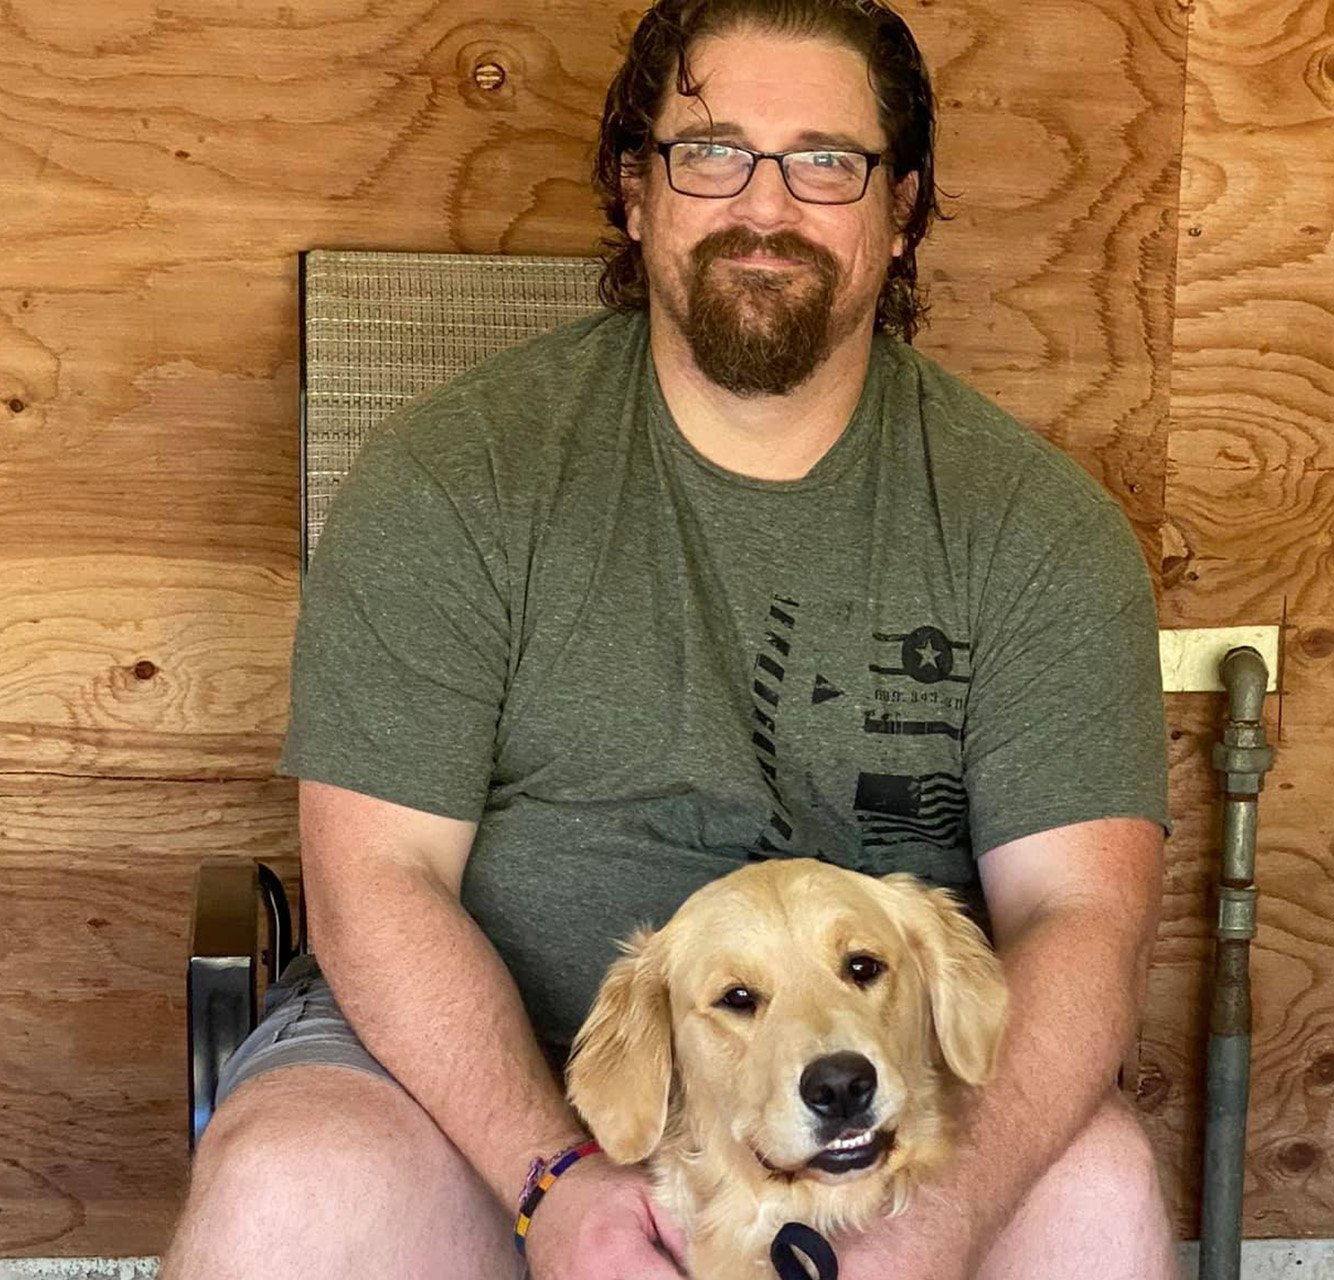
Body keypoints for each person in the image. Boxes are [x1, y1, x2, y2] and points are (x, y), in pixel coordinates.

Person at [162, 1, 1175, 1277]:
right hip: (474, 1070)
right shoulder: (453, 475)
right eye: (710, 152)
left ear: (901, 207)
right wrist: (553, 1177)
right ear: (637, 192)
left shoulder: (1035, 527)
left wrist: (951, 1211)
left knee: (1100, 1189)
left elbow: (1082, 915)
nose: (766, 204)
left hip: (873, 1092)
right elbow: (378, 881)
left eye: (826, 160)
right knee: (293, 1191)